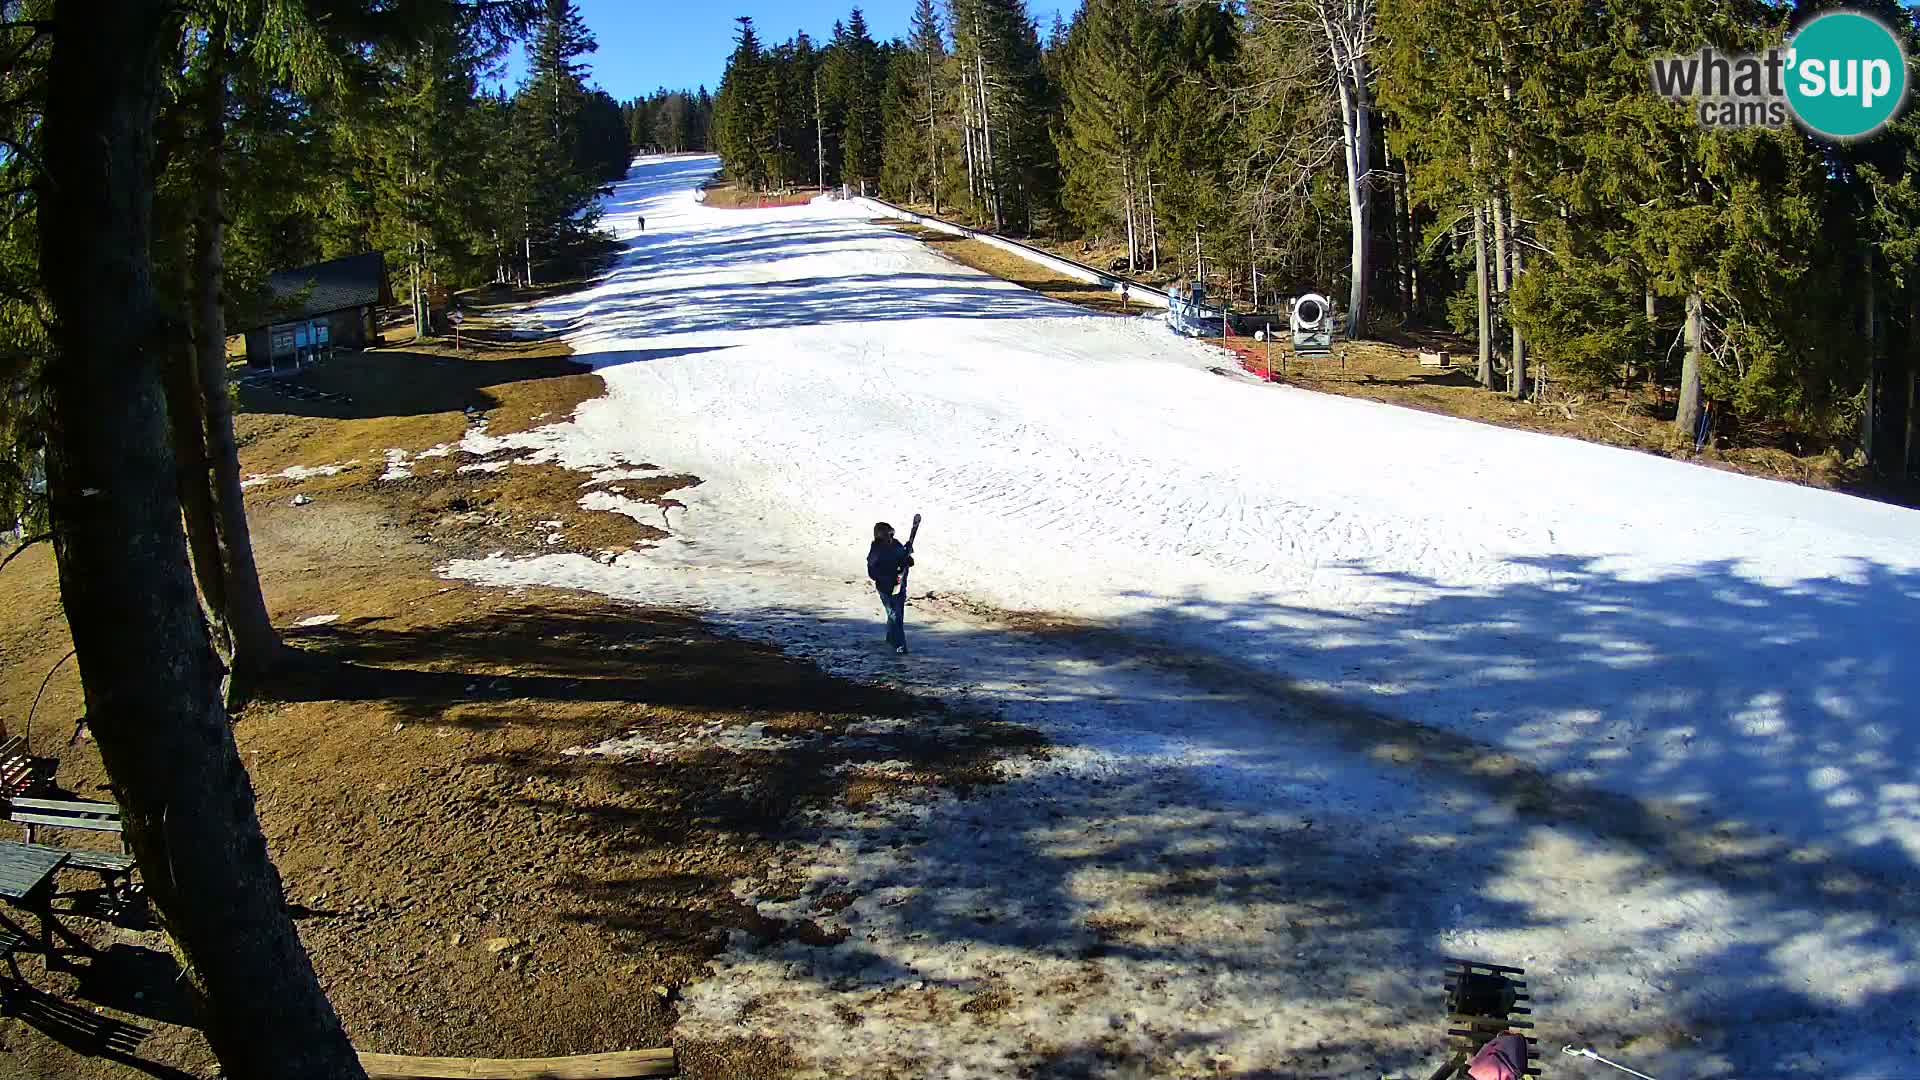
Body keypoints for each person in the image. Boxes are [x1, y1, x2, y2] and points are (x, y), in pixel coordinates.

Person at [867, 521, 914, 653]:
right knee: (894, 615)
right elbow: (872, 572)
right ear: (879, 536)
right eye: (887, 535)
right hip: (886, 588)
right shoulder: (876, 551)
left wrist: (907, 557)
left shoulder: (896, 544)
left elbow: (906, 561)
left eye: (891, 534)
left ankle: (891, 638)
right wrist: (887, 577)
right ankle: (900, 645)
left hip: (900, 585)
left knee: (898, 614)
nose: (890, 537)